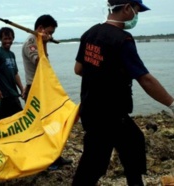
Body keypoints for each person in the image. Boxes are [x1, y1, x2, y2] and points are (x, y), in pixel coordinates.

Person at [72, 0, 174, 185]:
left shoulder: (90, 33)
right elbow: (145, 79)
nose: (137, 16)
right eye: (137, 10)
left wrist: (101, 74)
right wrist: (171, 103)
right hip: (109, 114)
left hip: (91, 109)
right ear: (127, 8)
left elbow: (78, 69)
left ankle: (135, 181)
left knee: (134, 142)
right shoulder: (122, 40)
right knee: (94, 162)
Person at [21, 14, 73, 170]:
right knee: (39, 127)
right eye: (49, 32)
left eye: (52, 34)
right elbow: (41, 63)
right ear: (40, 29)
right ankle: (44, 161)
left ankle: (54, 158)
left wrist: (45, 42)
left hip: (42, 88)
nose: (50, 36)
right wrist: (43, 42)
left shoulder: (39, 41)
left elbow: (46, 62)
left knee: (50, 124)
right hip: (35, 89)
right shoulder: (31, 42)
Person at [0, 27, 24, 119]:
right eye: (5, 39)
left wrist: (22, 89)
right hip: (6, 94)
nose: (8, 41)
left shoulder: (11, 54)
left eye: (10, 38)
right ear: (0, 39)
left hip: (14, 93)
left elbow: (15, 74)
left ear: (13, 39)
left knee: (5, 120)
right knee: (21, 119)